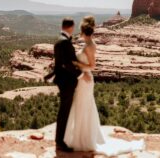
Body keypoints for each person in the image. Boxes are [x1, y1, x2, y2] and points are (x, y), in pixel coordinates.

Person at [63, 16, 145, 156]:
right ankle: (80, 138)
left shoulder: (90, 46)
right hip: (83, 79)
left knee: (84, 106)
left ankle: (84, 140)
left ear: (83, 32)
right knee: (82, 106)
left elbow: (92, 66)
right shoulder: (88, 44)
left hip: (86, 80)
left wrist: (76, 64)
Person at [51, 17, 91, 151]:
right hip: (66, 82)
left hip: (62, 81)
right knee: (64, 111)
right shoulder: (65, 42)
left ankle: (60, 139)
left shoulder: (59, 40)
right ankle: (60, 142)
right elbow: (67, 64)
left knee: (64, 110)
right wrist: (81, 75)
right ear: (71, 27)